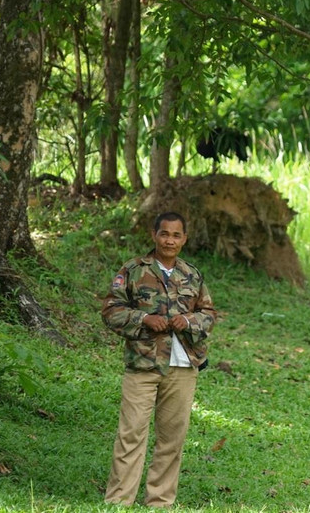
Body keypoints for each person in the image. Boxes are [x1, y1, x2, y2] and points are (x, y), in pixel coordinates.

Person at [102, 212, 216, 507]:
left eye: (176, 235)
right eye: (165, 234)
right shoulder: (133, 270)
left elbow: (209, 315)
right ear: (155, 235)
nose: (170, 240)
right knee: (131, 433)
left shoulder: (192, 274)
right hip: (143, 365)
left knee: (172, 438)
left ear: (184, 239)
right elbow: (111, 311)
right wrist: (143, 318)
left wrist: (188, 321)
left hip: (182, 367)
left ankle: (160, 501)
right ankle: (119, 500)